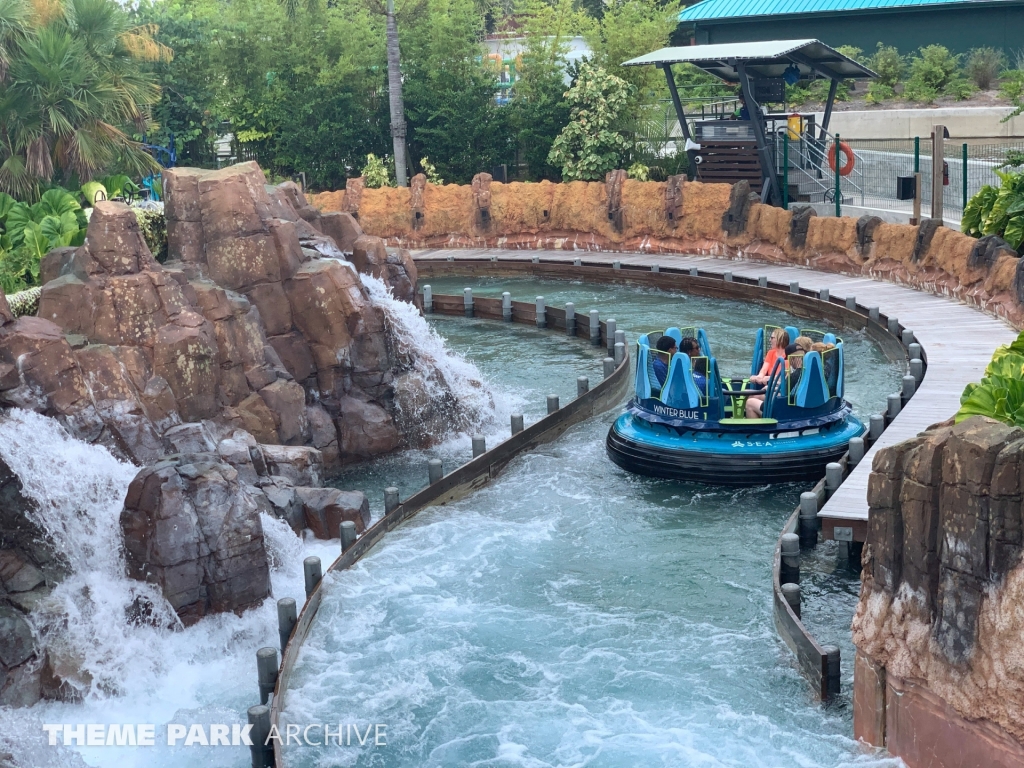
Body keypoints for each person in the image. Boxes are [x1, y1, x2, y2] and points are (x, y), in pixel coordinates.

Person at [746, 342, 803, 418]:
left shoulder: (794, 375)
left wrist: (770, 388)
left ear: (792, 358)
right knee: (754, 396)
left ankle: (757, 429)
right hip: (789, 403)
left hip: (782, 408)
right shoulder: (804, 371)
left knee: (750, 403)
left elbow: (783, 394)